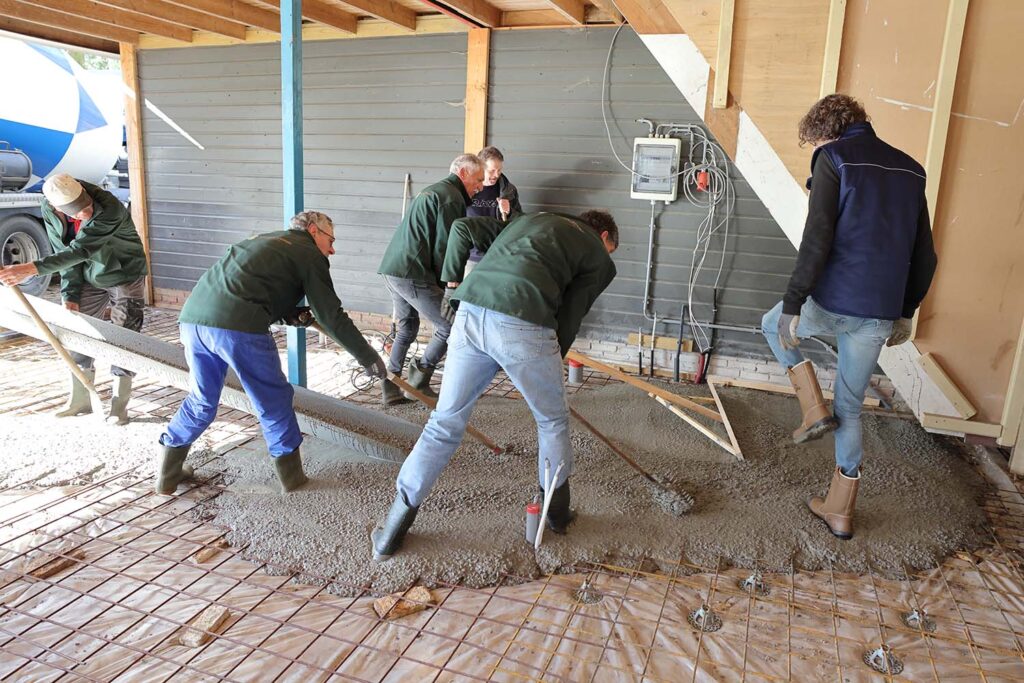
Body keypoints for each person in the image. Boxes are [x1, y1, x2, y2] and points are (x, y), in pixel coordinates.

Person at [371, 210, 619, 561]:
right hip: (525, 324)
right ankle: (558, 515)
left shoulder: (529, 220)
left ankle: (390, 533)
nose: (607, 255)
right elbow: (571, 315)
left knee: (443, 423)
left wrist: (452, 283)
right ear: (604, 236)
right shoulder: (597, 254)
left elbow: (465, 231)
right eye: (610, 248)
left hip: (470, 312)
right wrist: (546, 366)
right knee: (552, 421)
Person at [761, 94, 937, 540]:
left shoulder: (833, 158)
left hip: (832, 300)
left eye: (815, 139)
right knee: (852, 410)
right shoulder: (911, 169)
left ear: (827, 131)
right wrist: (905, 312)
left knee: (771, 325)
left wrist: (793, 303)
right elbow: (925, 256)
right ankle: (840, 512)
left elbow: (816, 239)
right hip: (878, 312)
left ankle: (811, 408)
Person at [155, 211, 387, 496]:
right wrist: (367, 357)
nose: (332, 249)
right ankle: (293, 480)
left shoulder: (264, 241)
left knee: (202, 399)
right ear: (314, 231)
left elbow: (250, 287)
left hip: (192, 321)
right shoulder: (309, 253)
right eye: (331, 240)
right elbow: (331, 315)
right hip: (237, 329)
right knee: (272, 400)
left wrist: (289, 314)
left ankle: (168, 473)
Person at [0, 173, 147, 425]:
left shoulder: (109, 207)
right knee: (76, 332)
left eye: (87, 206)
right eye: (78, 212)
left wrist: (29, 268)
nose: (86, 213)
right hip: (88, 274)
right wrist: (70, 293)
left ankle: (118, 405)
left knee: (125, 336)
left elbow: (81, 250)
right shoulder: (49, 208)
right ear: (57, 208)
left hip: (124, 273)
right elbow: (63, 252)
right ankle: (81, 399)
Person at [377, 154, 485, 406]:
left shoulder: (435, 190)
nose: (480, 186)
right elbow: (446, 247)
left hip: (392, 268)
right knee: (451, 325)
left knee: (407, 329)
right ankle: (419, 379)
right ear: (463, 174)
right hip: (412, 272)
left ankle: (389, 385)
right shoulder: (452, 198)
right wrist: (448, 285)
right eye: (478, 179)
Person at [467, 146, 522, 221]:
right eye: (492, 171)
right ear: (480, 168)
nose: (496, 175)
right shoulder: (466, 189)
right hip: (470, 232)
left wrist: (509, 212)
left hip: (499, 232)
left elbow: (520, 220)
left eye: (499, 170)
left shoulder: (509, 190)